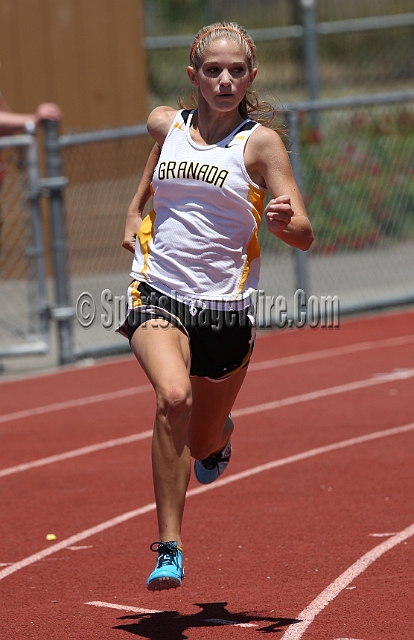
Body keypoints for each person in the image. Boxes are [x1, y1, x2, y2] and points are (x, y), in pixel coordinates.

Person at [120, 21, 313, 591]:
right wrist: (134, 210)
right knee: (172, 396)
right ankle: (170, 547)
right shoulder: (167, 122)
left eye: (235, 71)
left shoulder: (260, 144)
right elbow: (159, 160)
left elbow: (304, 231)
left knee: (202, 440)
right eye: (212, 70)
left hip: (224, 311)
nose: (224, 80)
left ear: (251, 77)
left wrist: (288, 224)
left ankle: (221, 437)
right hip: (158, 289)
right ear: (193, 76)